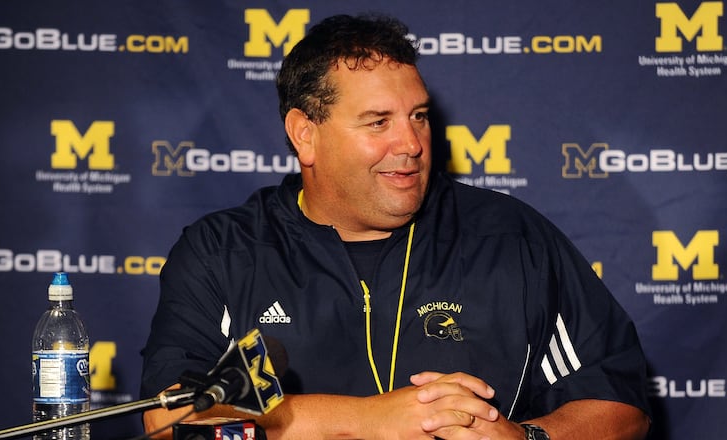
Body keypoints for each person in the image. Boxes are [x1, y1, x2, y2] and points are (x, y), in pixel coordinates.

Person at [141, 13, 651, 440]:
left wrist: (526, 438)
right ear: (305, 135)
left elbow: (622, 405)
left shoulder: (510, 238)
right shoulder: (224, 252)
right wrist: (367, 419)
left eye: (419, 117)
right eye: (378, 122)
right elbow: (168, 420)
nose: (411, 144)